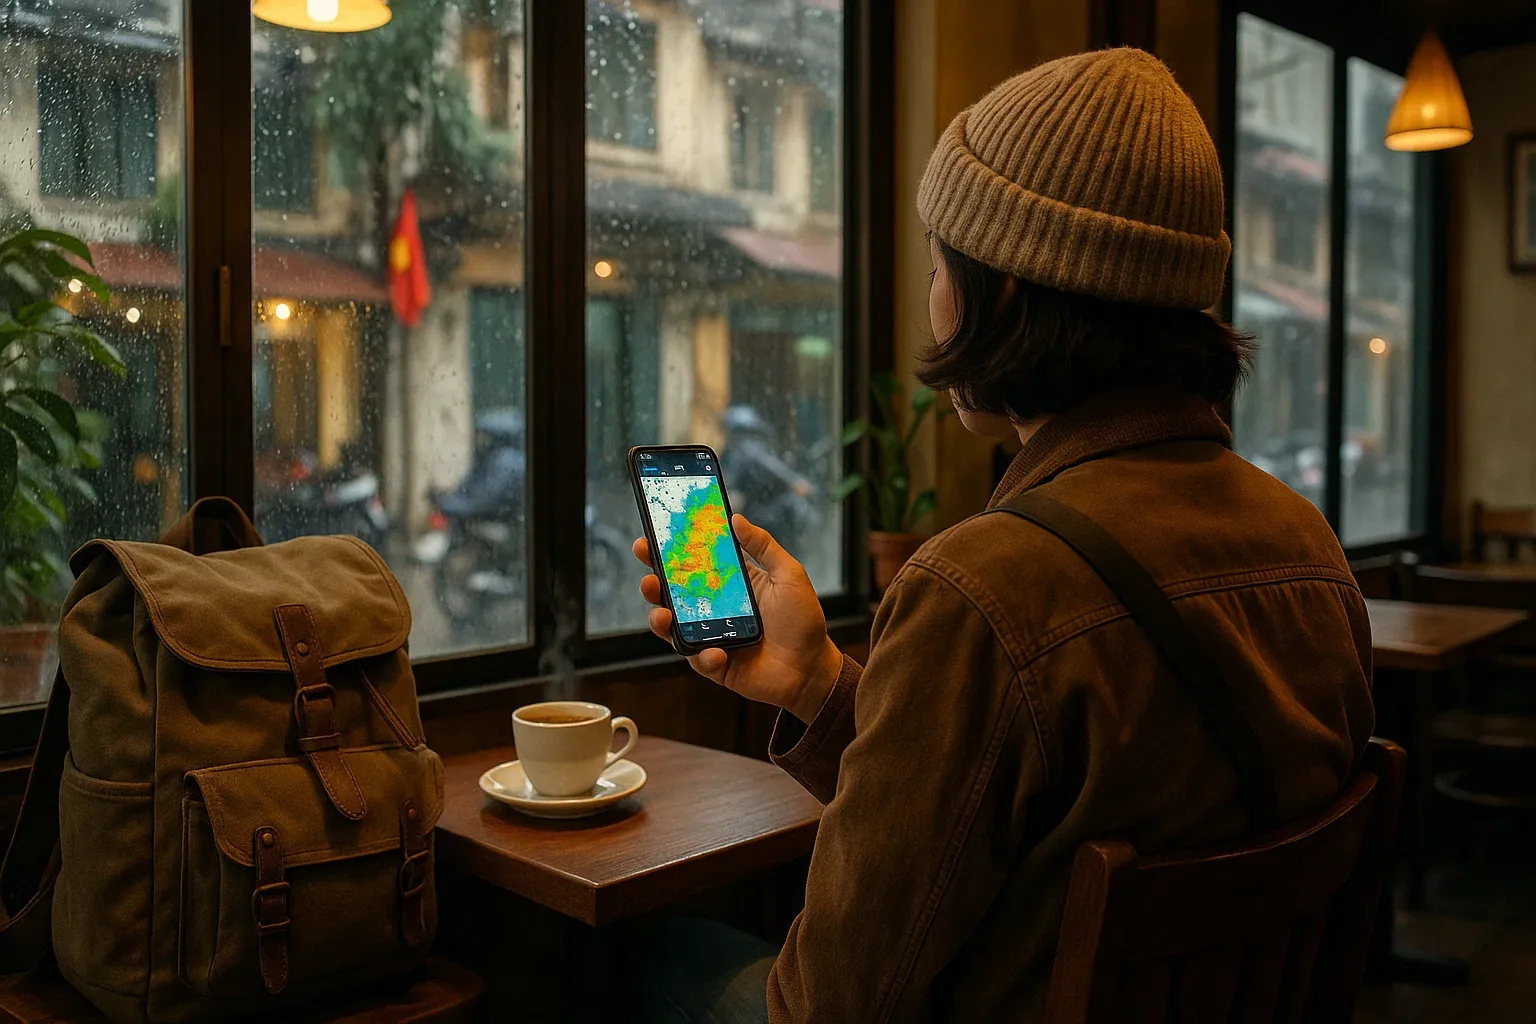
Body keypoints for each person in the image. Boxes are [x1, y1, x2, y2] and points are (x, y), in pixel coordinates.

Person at [634, 48, 1374, 1023]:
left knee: (652, 960)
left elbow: (831, 1002)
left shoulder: (986, 587)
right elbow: (1024, 794)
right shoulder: (1311, 548)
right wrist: (816, 681)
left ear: (1012, 294)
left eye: (942, 265)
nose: (932, 300)